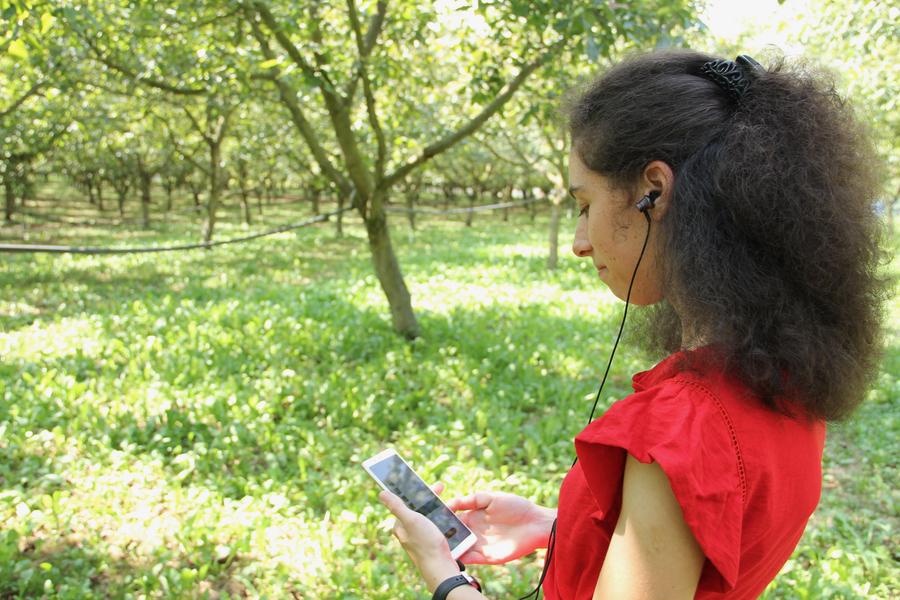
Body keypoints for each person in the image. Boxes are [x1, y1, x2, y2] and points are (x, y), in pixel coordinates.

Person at [377, 49, 886, 599]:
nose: (578, 242)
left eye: (584, 202)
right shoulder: (784, 381)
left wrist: (445, 578)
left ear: (654, 192)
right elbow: (693, 559)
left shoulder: (681, 432)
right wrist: (556, 527)